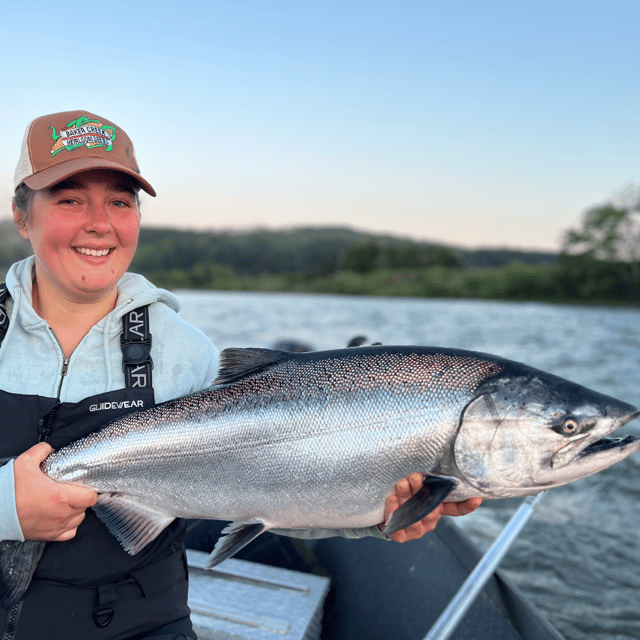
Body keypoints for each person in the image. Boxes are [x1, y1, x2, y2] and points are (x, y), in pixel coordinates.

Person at [0, 110, 481, 639]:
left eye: (120, 201)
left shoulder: (187, 353)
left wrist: (377, 517)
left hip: (139, 621)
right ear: (23, 216)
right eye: (69, 199)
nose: (100, 222)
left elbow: (265, 485)